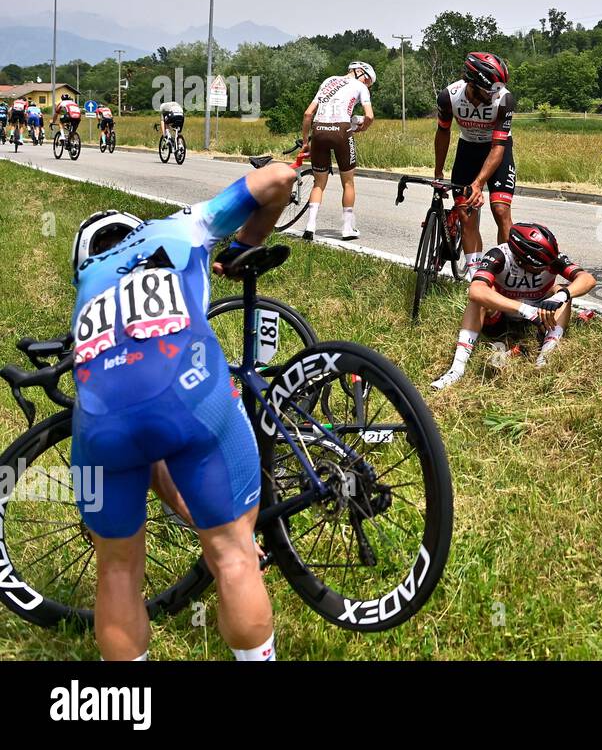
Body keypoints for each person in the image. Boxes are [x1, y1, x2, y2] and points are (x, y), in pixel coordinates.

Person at [67, 162, 296, 660]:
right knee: (234, 558)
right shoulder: (183, 224)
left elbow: (147, 448)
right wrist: (243, 244)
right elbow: (279, 177)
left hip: (101, 429)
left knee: (117, 571)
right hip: (193, 400)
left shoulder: (87, 287)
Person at [430, 222, 596, 389]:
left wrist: (561, 296)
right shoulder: (499, 255)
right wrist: (523, 309)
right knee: (480, 297)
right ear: (519, 259)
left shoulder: (551, 257)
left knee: (561, 290)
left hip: (539, 318)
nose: (546, 268)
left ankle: (544, 358)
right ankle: (457, 369)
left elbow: (587, 279)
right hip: (502, 317)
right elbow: (475, 290)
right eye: (539, 268)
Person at [435, 52, 517, 273]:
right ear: (472, 83)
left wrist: (479, 183)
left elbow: (498, 147)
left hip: (497, 151)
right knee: (466, 213)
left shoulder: (504, 100)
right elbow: (443, 133)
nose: (494, 94)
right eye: (489, 90)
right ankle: (475, 277)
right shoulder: (448, 96)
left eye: (496, 90)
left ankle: (506, 274)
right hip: (468, 150)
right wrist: (438, 171)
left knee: (500, 210)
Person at [299, 61, 376, 241]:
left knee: (319, 184)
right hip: (342, 130)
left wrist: (305, 142)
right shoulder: (360, 86)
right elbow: (370, 116)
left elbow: (308, 114)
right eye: (368, 82)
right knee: (348, 182)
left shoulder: (328, 81)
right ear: (361, 74)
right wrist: (362, 127)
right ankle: (347, 228)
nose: (367, 85)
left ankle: (310, 226)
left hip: (318, 130)